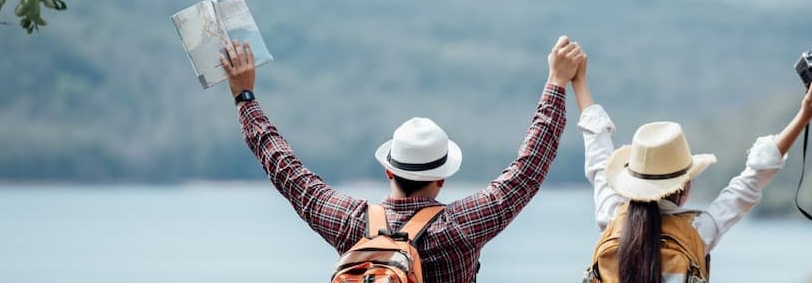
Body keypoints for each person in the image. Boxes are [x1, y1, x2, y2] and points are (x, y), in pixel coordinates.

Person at [218, 36, 586, 282]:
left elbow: (285, 168)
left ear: (388, 168)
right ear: (442, 178)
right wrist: (556, 83)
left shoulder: (350, 223)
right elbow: (526, 172)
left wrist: (244, 96)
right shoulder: (459, 228)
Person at [573, 52, 812, 282]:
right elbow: (753, 177)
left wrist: (579, 81)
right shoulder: (697, 232)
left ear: (632, 180)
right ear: (685, 186)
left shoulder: (611, 216)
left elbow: (598, 151)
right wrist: (805, 115)